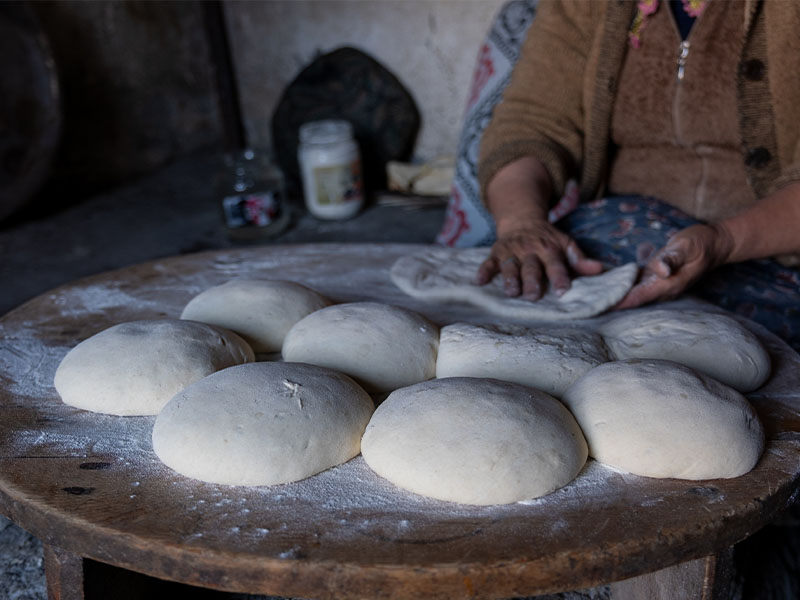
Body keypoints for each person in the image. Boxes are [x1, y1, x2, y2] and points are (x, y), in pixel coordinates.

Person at [474, 0, 800, 350]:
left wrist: (724, 241)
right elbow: (532, 121)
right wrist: (522, 223)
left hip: (767, 265)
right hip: (614, 245)